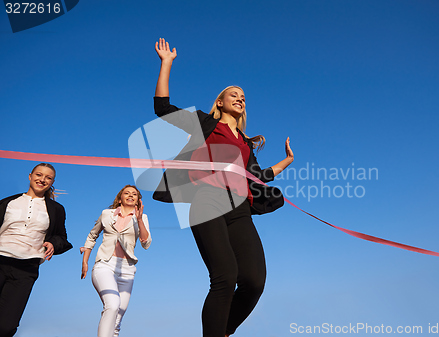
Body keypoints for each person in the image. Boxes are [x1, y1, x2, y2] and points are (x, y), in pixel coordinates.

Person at [153, 38, 294, 337]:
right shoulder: (205, 124)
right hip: (205, 201)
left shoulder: (244, 143)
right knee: (225, 276)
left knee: (254, 281)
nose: (240, 98)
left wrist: (285, 163)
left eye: (243, 96)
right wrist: (167, 63)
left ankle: (221, 331)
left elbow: (258, 176)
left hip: (239, 208)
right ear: (220, 102)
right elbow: (163, 109)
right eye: (234, 94)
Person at [0, 163, 72, 337]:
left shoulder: (56, 209)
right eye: (39, 175)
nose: (43, 180)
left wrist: (53, 243)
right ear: (30, 176)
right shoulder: (7, 202)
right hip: (0, 258)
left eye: (48, 177)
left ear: (52, 182)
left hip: (26, 269)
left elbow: (62, 238)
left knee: (6, 327)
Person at [80, 185, 152, 337]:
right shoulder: (107, 214)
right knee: (112, 305)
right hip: (105, 265)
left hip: (127, 269)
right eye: (127, 193)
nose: (131, 195)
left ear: (138, 200)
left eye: (134, 194)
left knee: (117, 319)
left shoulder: (142, 218)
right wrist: (85, 261)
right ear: (120, 198)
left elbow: (146, 243)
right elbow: (92, 235)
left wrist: (139, 220)